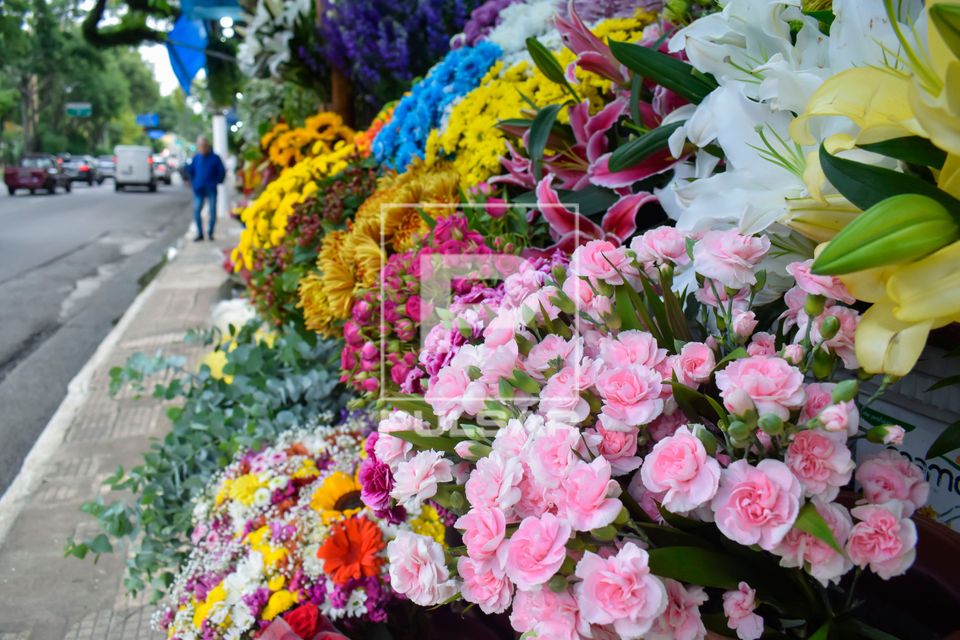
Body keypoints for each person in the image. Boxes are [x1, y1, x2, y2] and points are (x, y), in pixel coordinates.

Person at [186, 136, 226, 241]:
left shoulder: (215, 158)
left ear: (208, 146)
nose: (202, 148)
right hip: (199, 189)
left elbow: (222, 172)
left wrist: (217, 181)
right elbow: (190, 171)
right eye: (200, 146)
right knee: (196, 211)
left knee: (212, 212)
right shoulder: (196, 158)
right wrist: (192, 182)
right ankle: (200, 234)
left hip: (211, 188)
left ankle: (210, 233)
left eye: (204, 146)